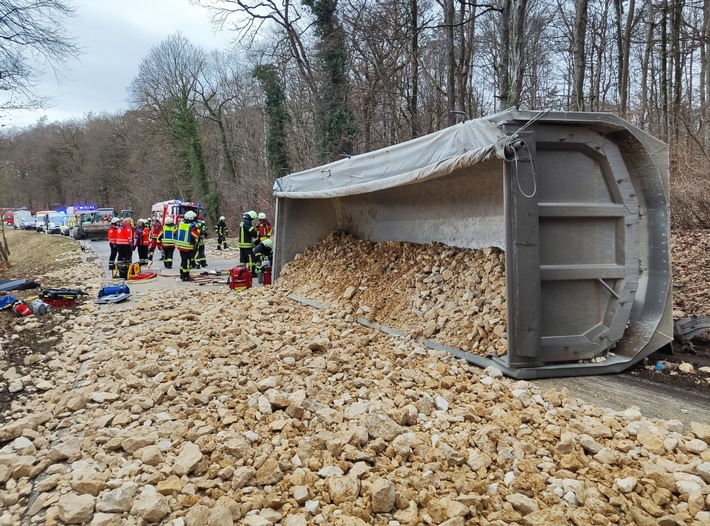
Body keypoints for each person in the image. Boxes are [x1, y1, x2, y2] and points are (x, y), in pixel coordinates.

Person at [174, 211, 201, 281]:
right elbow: (196, 235)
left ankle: (182, 275)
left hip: (181, 246)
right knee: (187, 262)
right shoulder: (191, 226)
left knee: (183, 261)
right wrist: (197, 228)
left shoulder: (180, 224)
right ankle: (186, 276)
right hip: (188, 247)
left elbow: (175, 232)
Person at [238, 210, 259, 275]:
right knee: (251, 259)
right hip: (247, 245)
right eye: (253, 218)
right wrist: (257, 234)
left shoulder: (243, 222)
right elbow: (252, 231)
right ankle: (251, 272)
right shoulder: (247, 222)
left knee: (243, 259)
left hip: (242, 244)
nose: (253, 220)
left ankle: (242, 272)